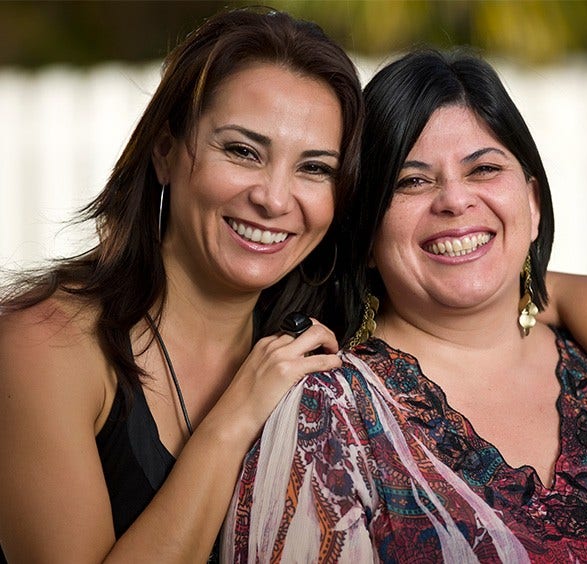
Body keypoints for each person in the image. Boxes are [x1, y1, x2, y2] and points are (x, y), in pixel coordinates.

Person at [222, 49, 587, 562]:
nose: (454, 200)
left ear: (532, 205)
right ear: (365, 237)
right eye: (412, 181)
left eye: (484, 169)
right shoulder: (328, 415)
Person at [0, 8, 362, 563]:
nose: (273, 197)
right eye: (243, 151)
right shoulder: (46, 346)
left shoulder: (333, 340)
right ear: (165, 152)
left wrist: (542, 292)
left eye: (314, 168)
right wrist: (234, 418)